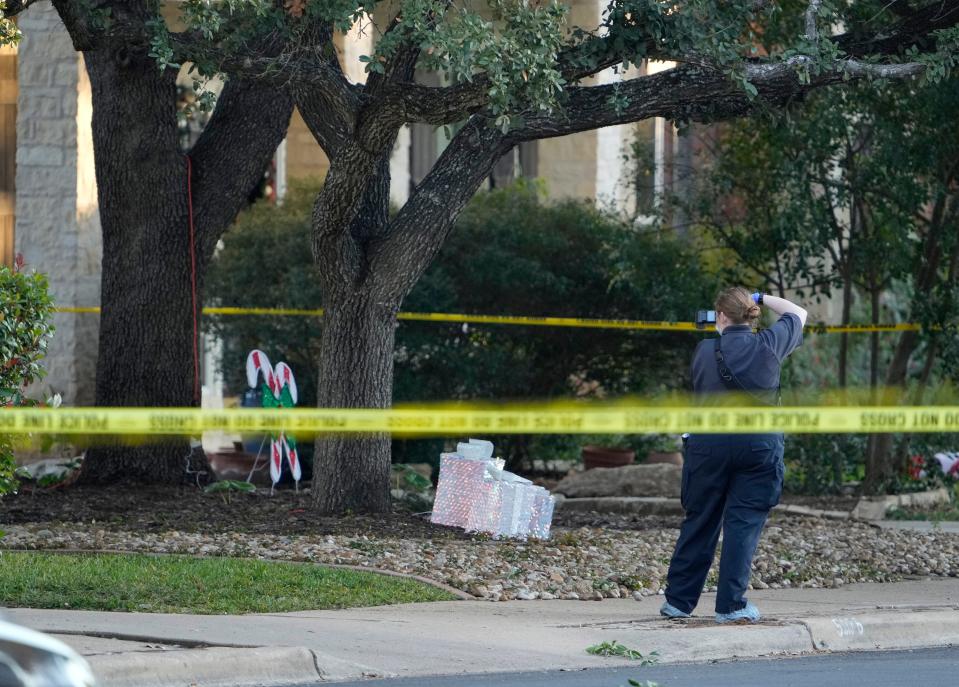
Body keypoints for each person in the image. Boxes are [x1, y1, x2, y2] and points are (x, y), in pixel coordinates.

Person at [660, 286, 807, 623]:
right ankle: (731, 606)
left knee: (700, 520)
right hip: (758, 447)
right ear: (751, 316)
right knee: (743, 525)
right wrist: (760, 297)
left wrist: (722, 330)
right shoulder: (769, 344)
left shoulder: (704, 350)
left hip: (708, 446)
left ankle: (679, 602)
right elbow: (798, 313)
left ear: (721, 316)